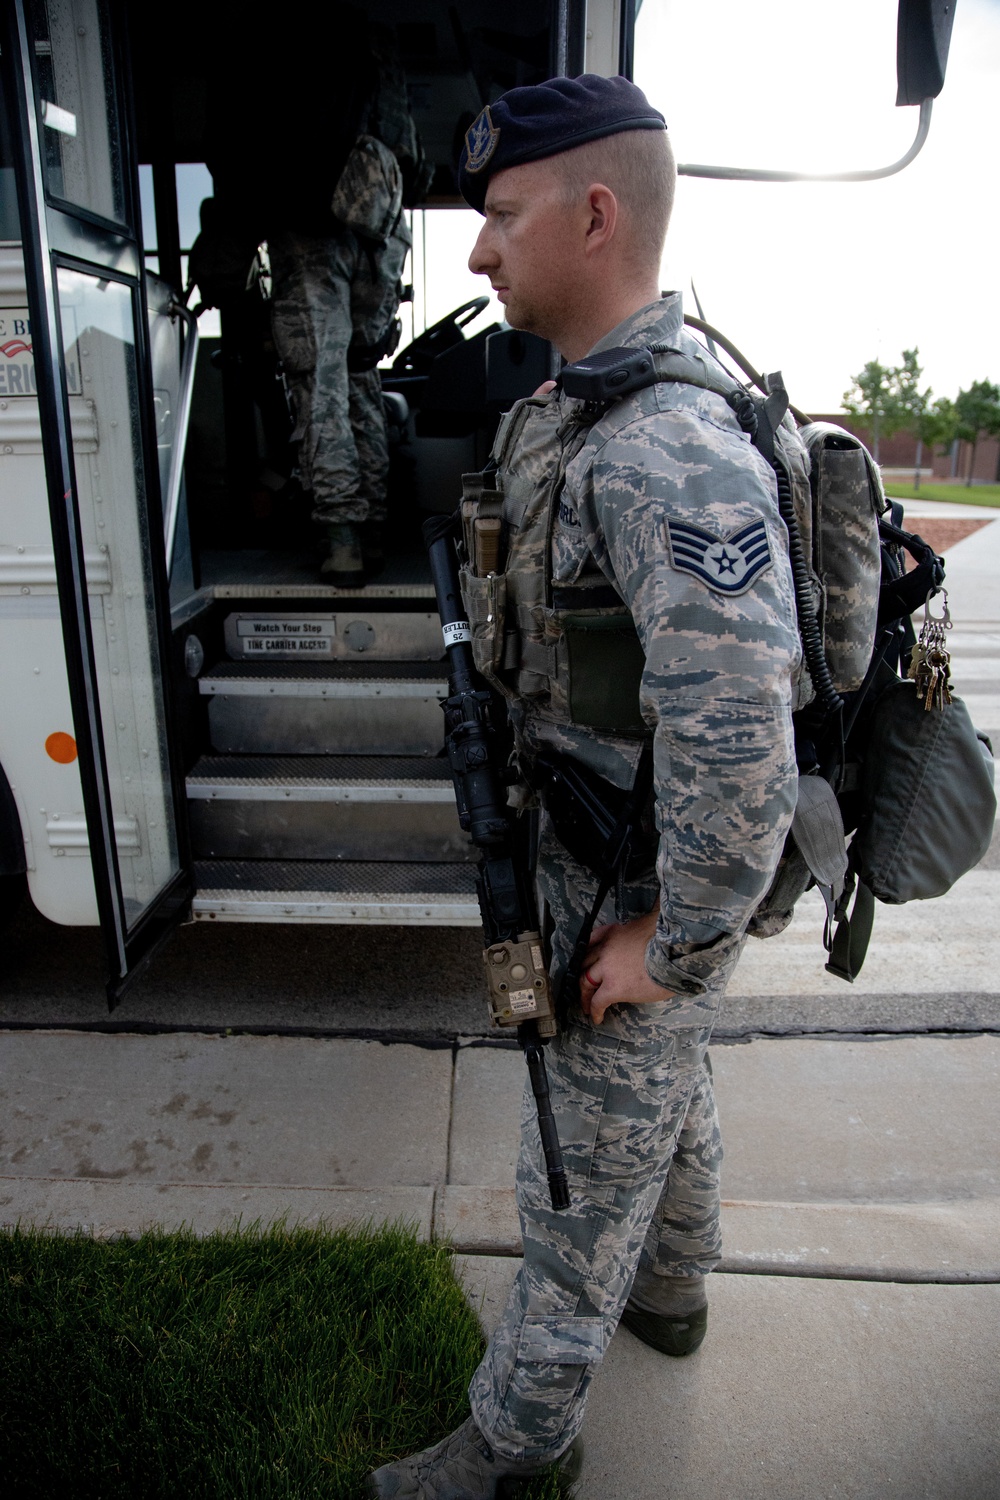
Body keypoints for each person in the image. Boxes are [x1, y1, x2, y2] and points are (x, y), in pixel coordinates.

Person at [367, 74, 801, 1498]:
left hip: (639, 882)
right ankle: (673, 1291)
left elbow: (743, 747)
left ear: (594, 212)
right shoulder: (577, 409)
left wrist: (671, 947)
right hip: (596, 846)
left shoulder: (665, 449)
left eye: (498, 216)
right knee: (658, 1096)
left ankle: (514, 1448)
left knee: (576, 1172)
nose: (479, 251)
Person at [206, 6, 429, 585]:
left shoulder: (277, 39)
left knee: (321, 383)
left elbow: (242, 165)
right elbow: (409, 153)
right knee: (361, 375)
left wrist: (226, 266)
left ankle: (343, 539)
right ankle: (374, 531)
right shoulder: (377, 35)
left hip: (305, 226)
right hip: (379, 216)